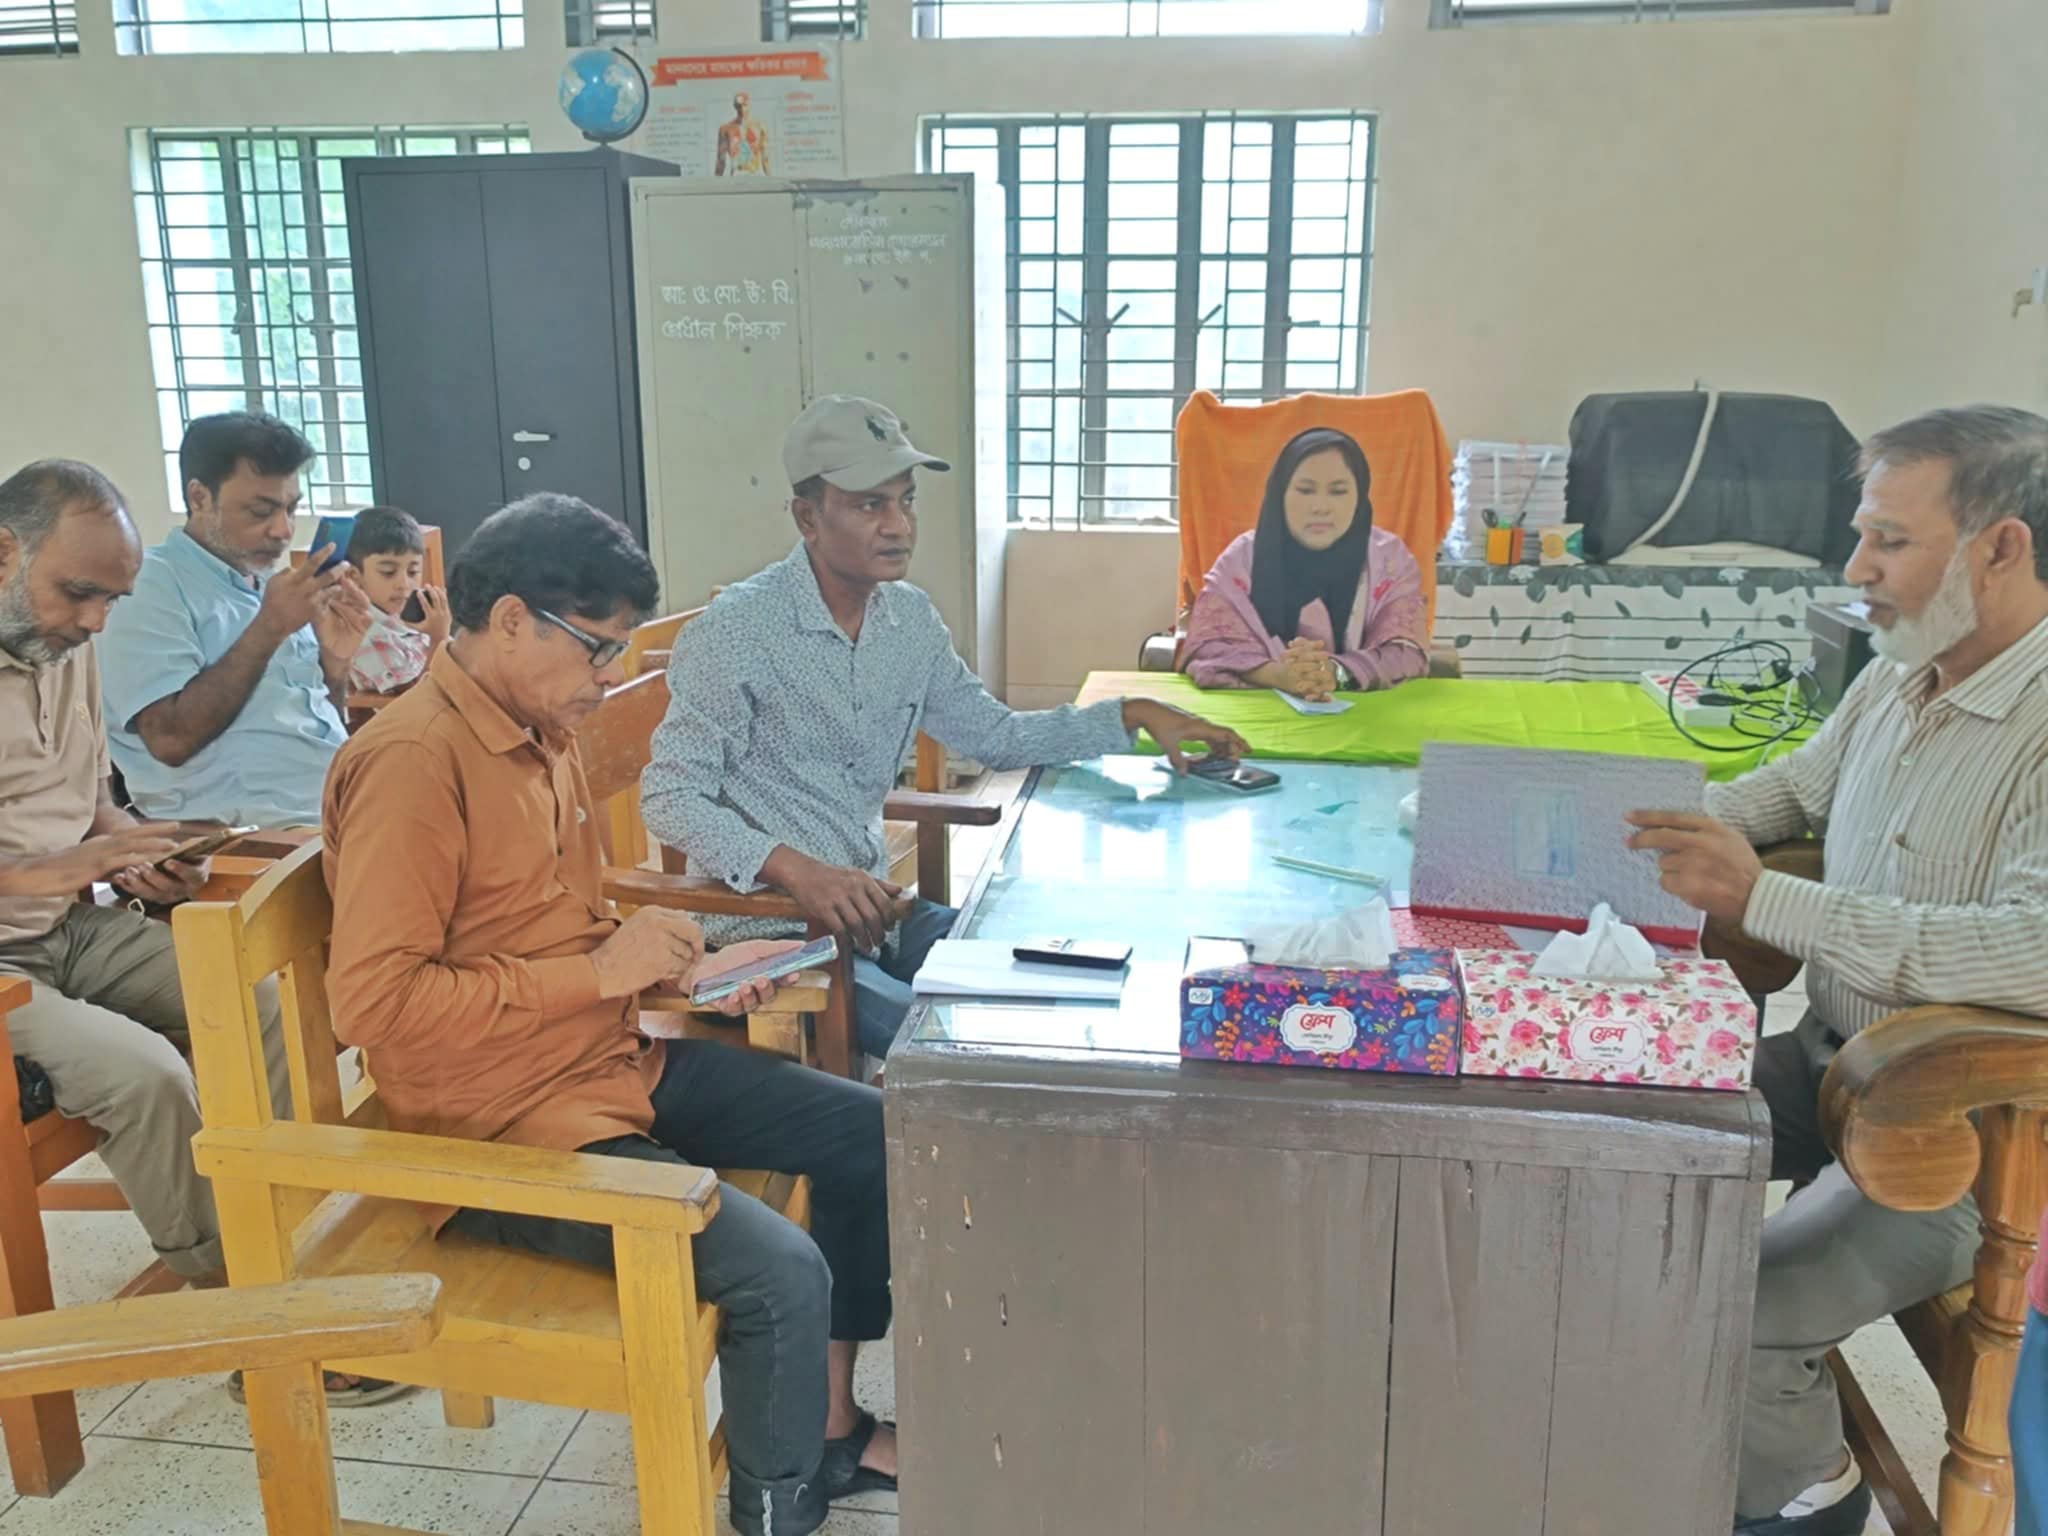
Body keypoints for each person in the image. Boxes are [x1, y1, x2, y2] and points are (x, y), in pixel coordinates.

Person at [323, 492, 897, 1536]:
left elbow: (547, 932)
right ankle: (777, 1512)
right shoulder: (413, 763)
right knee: (777, 1270)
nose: (605, 678)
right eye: (596, 650)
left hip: (606, 1063)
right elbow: (373, 1004)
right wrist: (603, 973)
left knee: (874, 1135)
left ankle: (828, 1429)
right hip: (499, 1128)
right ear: (510, 620)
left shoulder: (535, 730)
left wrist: (689, 968)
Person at [1625, 405, 2048, 1536]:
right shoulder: (1906, 671)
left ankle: (1807, 1493)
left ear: (2000, 547)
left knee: (1741, 1310)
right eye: (1861, 536)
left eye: (1888, 542)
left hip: (1968, 1138)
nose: (1856, 568)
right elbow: (1792, 790)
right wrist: (1613, 827)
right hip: (1839, 1067)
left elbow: (2033, 952)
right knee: (1611, 1126)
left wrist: (1761, 897)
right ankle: (1639, 1416)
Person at [642, 395, 1250, 1065]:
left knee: (1057, 973)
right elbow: (670, 798)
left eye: (906, 501)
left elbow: (996, 737)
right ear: (808, 517)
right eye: (870, 505)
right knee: (959, 1050)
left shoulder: (908, 622)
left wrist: (1130, 714)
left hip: (872, 918)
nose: (898, 525)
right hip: (768, 939)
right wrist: (797, 871)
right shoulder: (736, 632)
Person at [98, 412, 372, 827]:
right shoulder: (150, 583)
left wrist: (335, 667)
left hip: (334, 810)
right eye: (261, 511)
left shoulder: (272, 588)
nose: (283, 530)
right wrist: (269, 628)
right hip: (252, 833)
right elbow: (170, 740)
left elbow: (309, 729)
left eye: (291, 508)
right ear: (199, 497)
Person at [1180, 426, 1429, 701]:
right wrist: (1277, 675)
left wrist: (1336, 673)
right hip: (1258, 715)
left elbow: (1406, 652)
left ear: (1360, 497)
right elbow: (1206, 648)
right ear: (1281, 493)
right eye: (1305, 490)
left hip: (1367, 717)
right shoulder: (1241, 560)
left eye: (1338, 491)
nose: (1320, 507)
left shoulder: (1389, 560)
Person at [343, 505, 449, 695]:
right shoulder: (365, 634)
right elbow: (415, 698)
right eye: (388, 572)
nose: (404, 584)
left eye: (413, 572)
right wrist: (439, 638)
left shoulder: (406, 614)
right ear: (353, 576)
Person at [716, 91, 770, 176]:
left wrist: (770, 180)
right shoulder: (725, 129)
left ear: (749, 105)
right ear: (735, 107)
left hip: (755, 175)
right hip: (736, 175)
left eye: (745, 105)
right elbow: (721, 161)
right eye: (739, 106)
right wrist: (716, 183)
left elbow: (765, 159)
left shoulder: (760, 127)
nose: (742, 109)